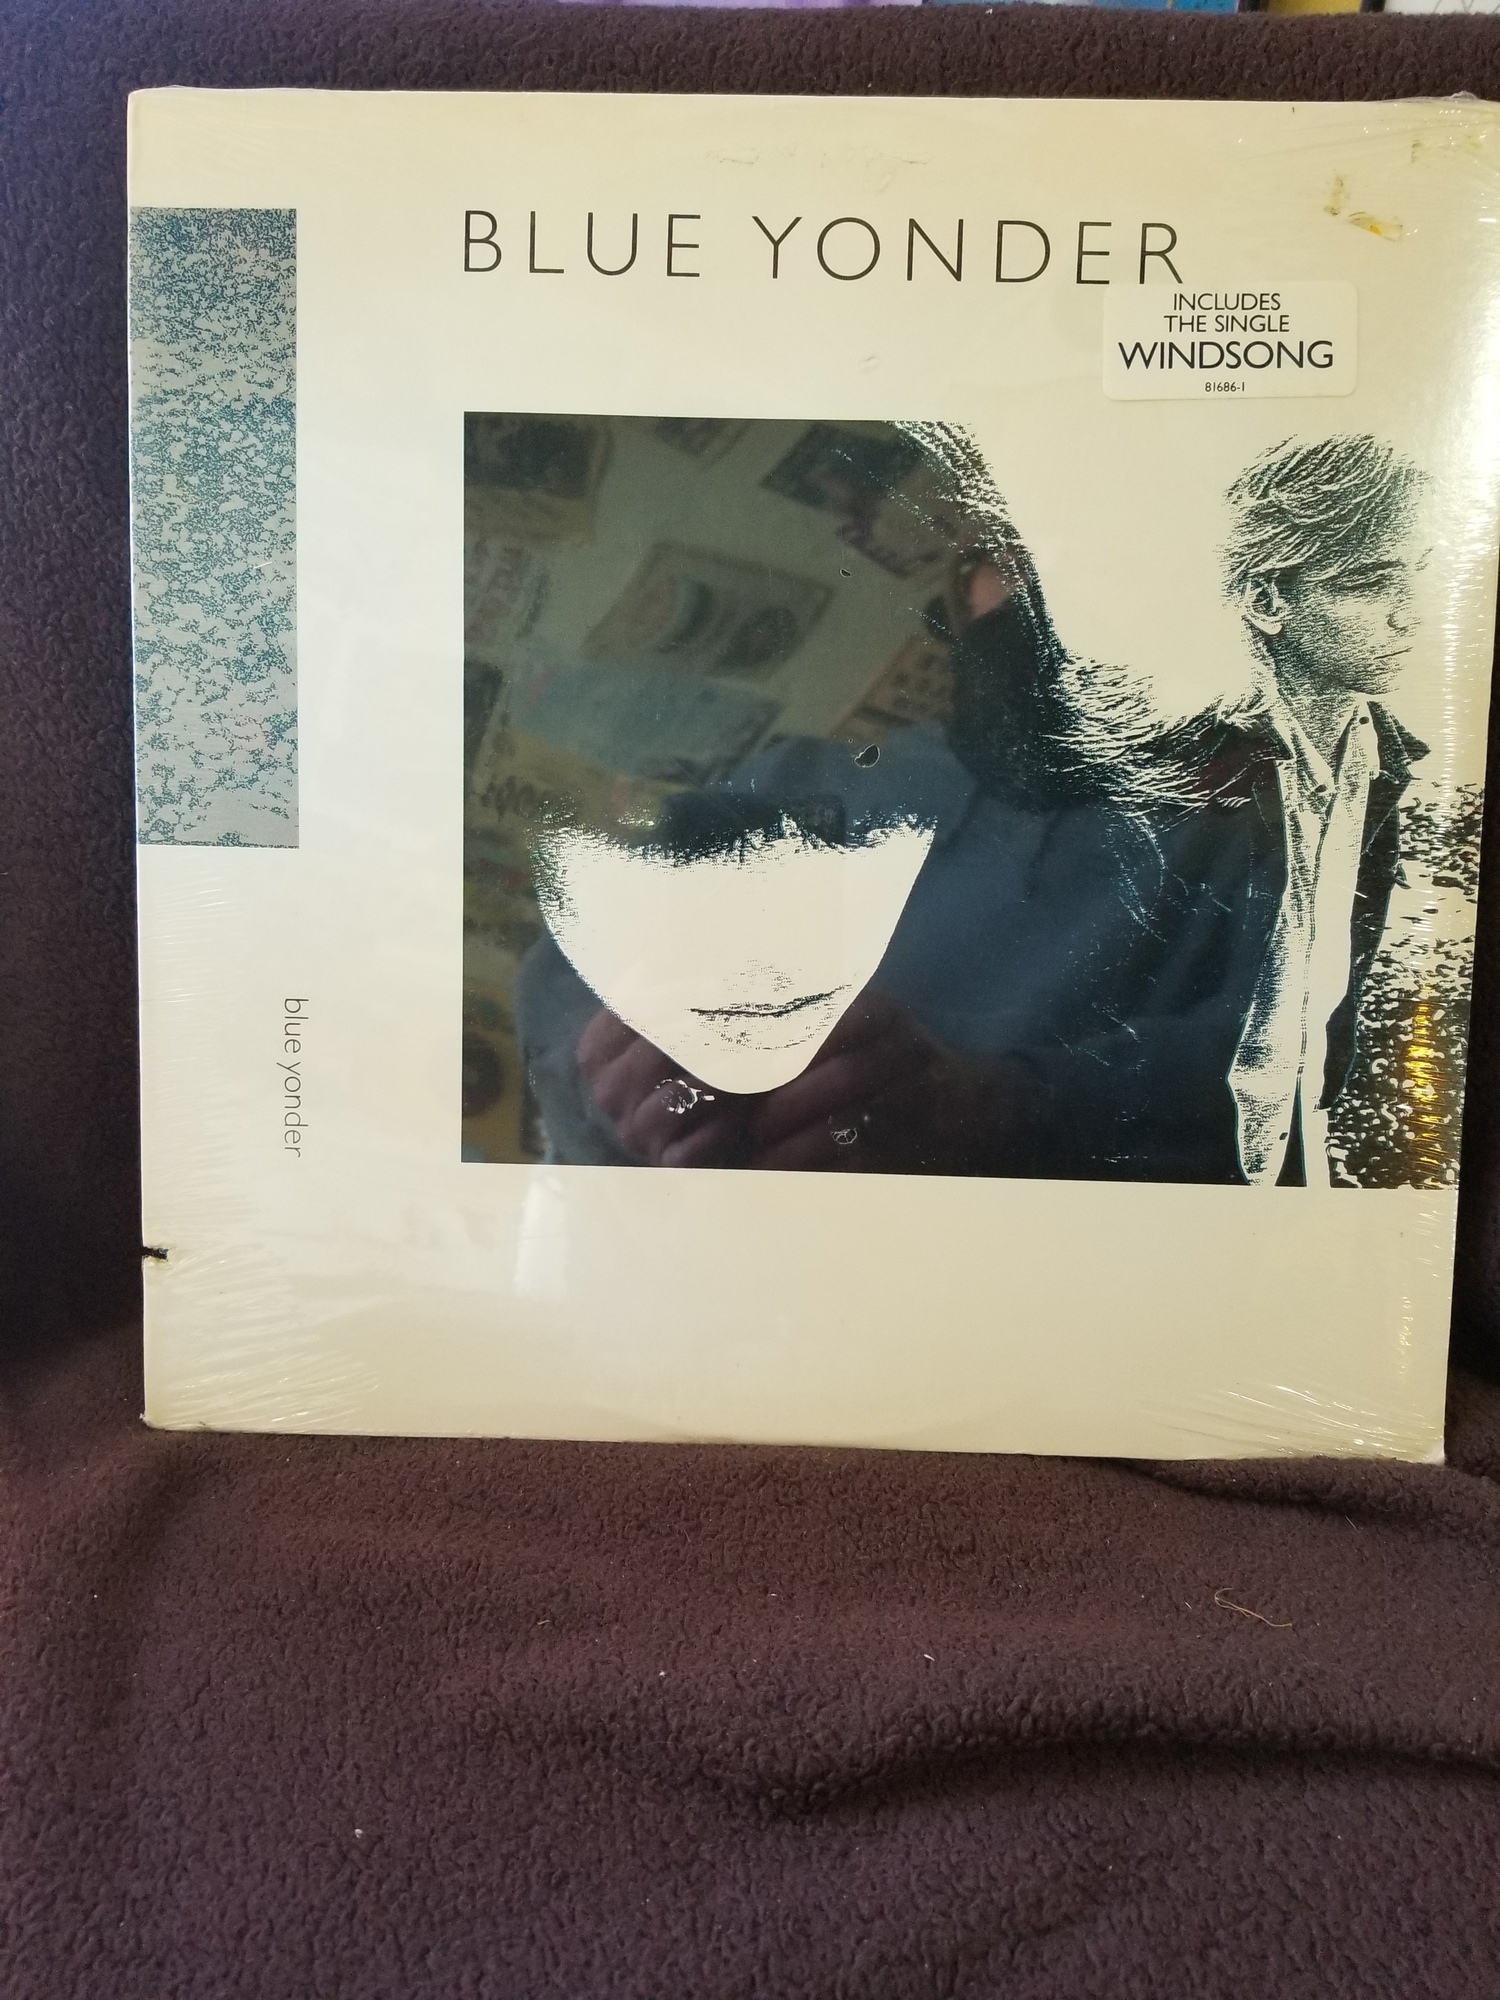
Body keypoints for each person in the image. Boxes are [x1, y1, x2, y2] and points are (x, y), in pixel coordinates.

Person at [516, 433, 1427, 1186]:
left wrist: (1008, 1109)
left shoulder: (1306, 831)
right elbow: (576, 951)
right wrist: (609, 1063)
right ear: (962, 593)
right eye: (1010, 557)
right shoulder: (813, 778)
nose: (1042, 596)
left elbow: (1331, 1073)